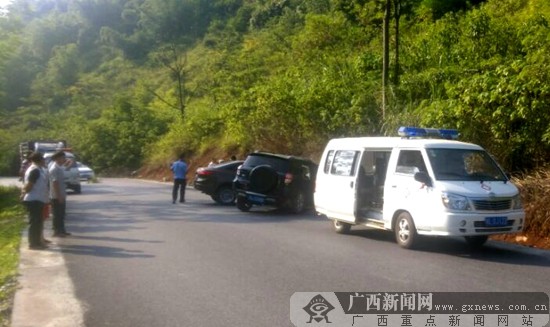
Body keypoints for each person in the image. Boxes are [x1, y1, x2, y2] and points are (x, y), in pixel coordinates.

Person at [21, 152, 49, 250]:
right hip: (33, 199)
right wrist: (24, 192)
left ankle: (37, 242)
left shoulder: (39, 169)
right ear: (40, 160)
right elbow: (29, 185)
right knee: (34, 223)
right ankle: (33, 244)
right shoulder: (35, 170)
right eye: (43, 159)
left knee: (38, 222)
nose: (44, 161)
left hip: (38, 199)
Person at [49, 150, 71, 237]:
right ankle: (56, 231)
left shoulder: (59, 167)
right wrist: (59, 196)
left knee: (61, 214)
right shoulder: (54, 169)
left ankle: (62, 230)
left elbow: (65, 167)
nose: (64, 159)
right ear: (57, 158)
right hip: (56, 196)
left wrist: (69, 163)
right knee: (57, 214)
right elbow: (55, 183)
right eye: (63, 157)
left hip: (61, 194)